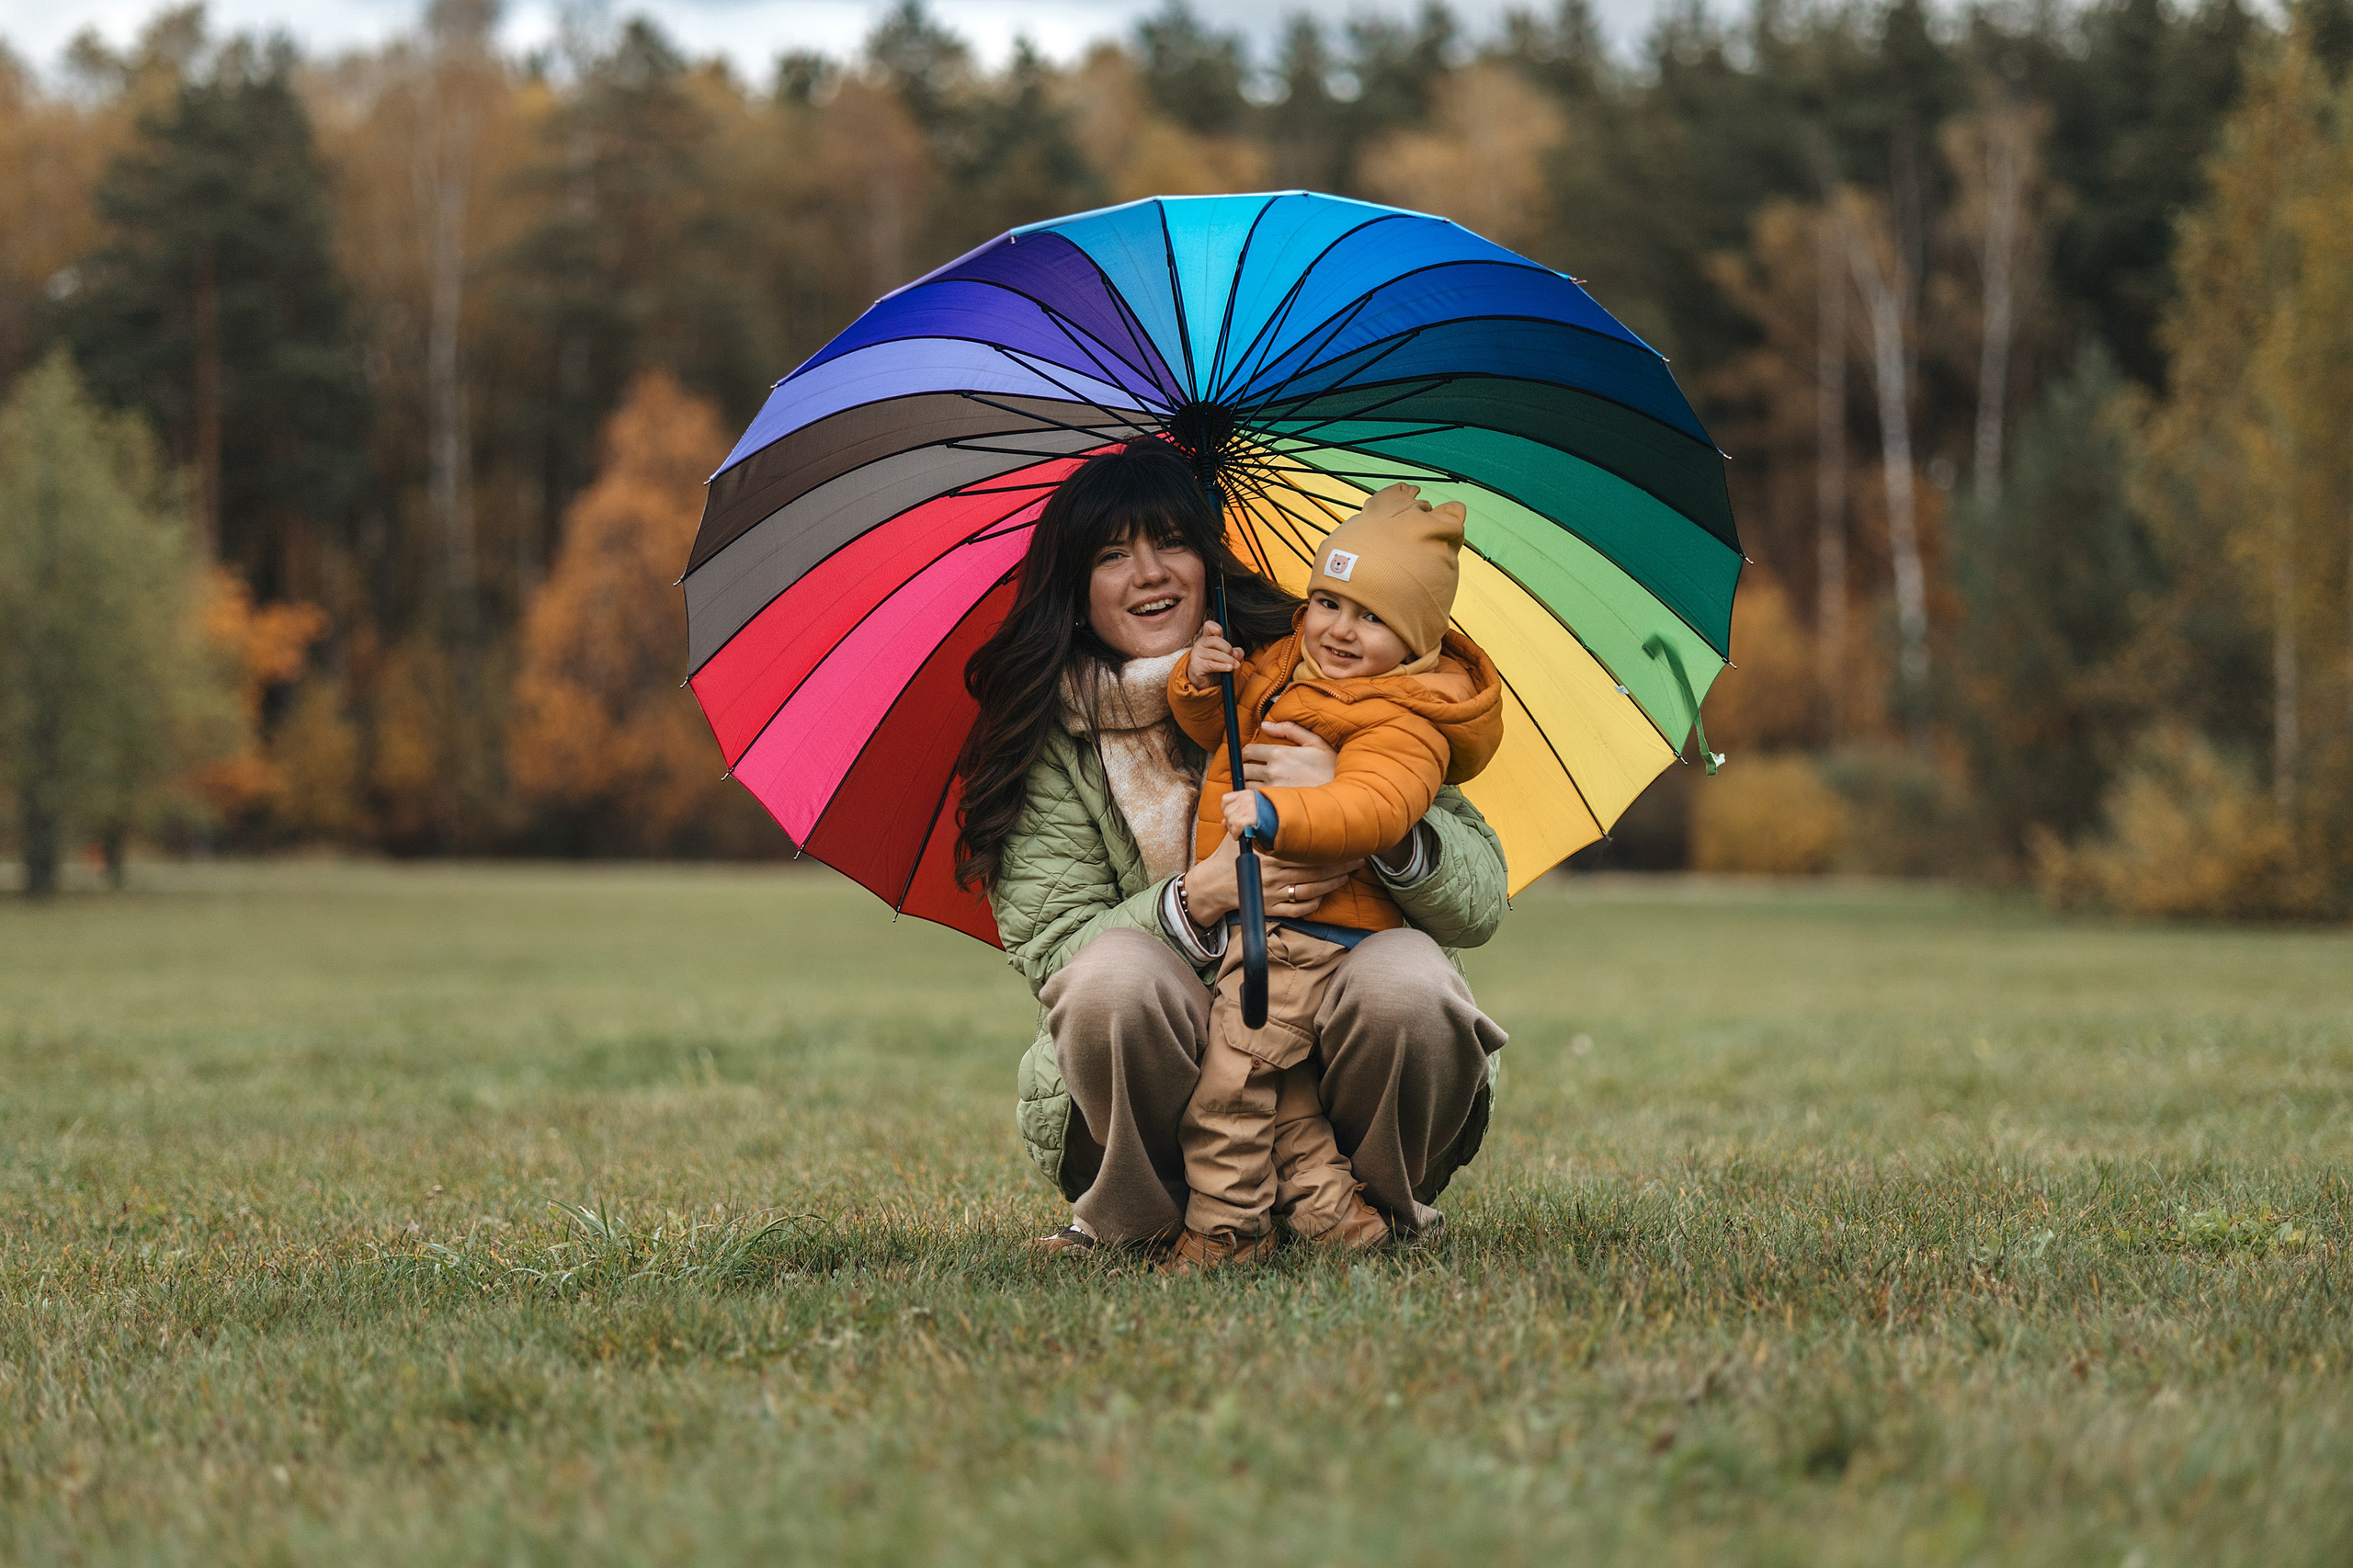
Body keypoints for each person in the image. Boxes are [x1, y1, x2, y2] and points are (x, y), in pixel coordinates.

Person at [951, 438, 1510, 1257]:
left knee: (1411, 983)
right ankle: (1148, 1219)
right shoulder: (1055, 741)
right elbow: (1055, 951)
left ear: (1208, 561)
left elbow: (1481, 894)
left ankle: (1363, 1209)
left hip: (1322, 1014)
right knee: (1111, 976)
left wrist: (1359, 808)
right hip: (1178, 1048)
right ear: (1076, 593)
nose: (1150, 572)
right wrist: (1194, 900)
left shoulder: (1318, 671)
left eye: (1172, 541)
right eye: (1113, 554)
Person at [1161, 483, 1504, 1271]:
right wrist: (1199, 677)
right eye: (1326, 602)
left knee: (1232, 1081)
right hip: (1263, 923)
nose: (1340, 629)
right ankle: (1341, 1224)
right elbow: (1224, 723)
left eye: (1372, 616)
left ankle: (1225, 1234)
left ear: (1417, 637)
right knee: (1283, 1096)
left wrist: (1284, 814)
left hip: (1315, 927)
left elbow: (1375, 808)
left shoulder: (1407, 718)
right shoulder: (1291, 663)